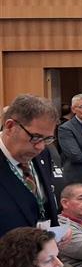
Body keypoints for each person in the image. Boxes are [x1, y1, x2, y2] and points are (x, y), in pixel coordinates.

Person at [0, 94, 61, 236]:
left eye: (48, 139)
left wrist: (56, 232)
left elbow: (45, 204)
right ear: (10, 127)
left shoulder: (42, 155)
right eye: (35, 137)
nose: (40, 146)